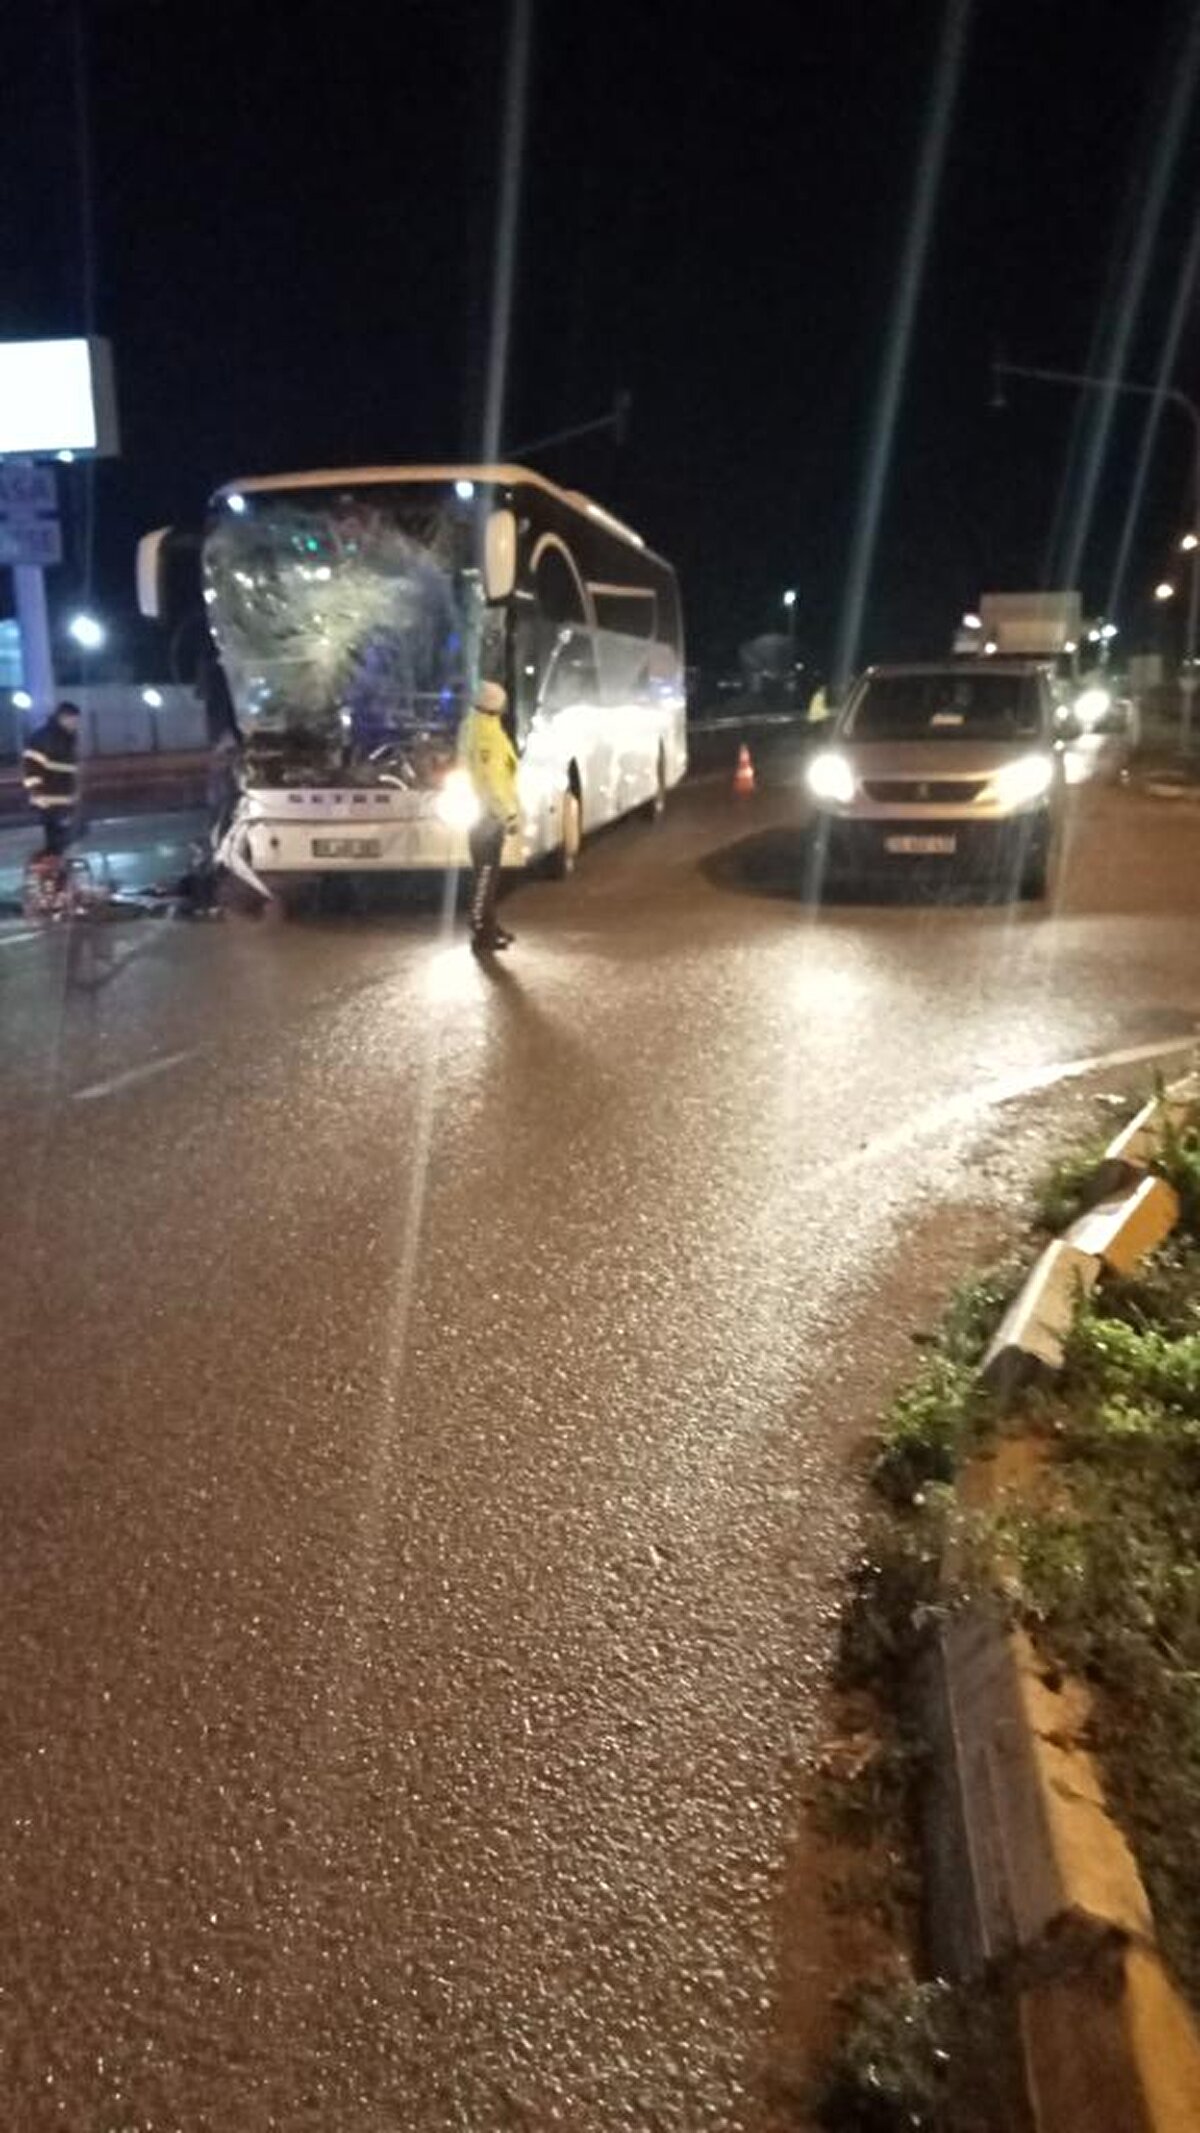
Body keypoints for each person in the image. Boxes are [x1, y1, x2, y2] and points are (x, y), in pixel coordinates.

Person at [458, 679, 519, 953]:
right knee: (486, 876)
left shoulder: (475, 726)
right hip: (488, 818)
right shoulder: (487, 735)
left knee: (487, 875)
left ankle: (489, 925)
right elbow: (492, 781)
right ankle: (483, 933)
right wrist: (508, 815)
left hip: (483, 815)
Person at [22, 700, 82, 872]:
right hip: (48, 800)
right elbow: (31, 767)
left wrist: (74, 793)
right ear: (62, 718)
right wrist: (36, 793)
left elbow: (68, 771)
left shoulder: (67, 738)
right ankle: (45, 870)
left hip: (62, 800)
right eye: (73, 720)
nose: (75, 724)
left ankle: (52, 871)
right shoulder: (44, 738)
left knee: (63, 839)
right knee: (57, 840)